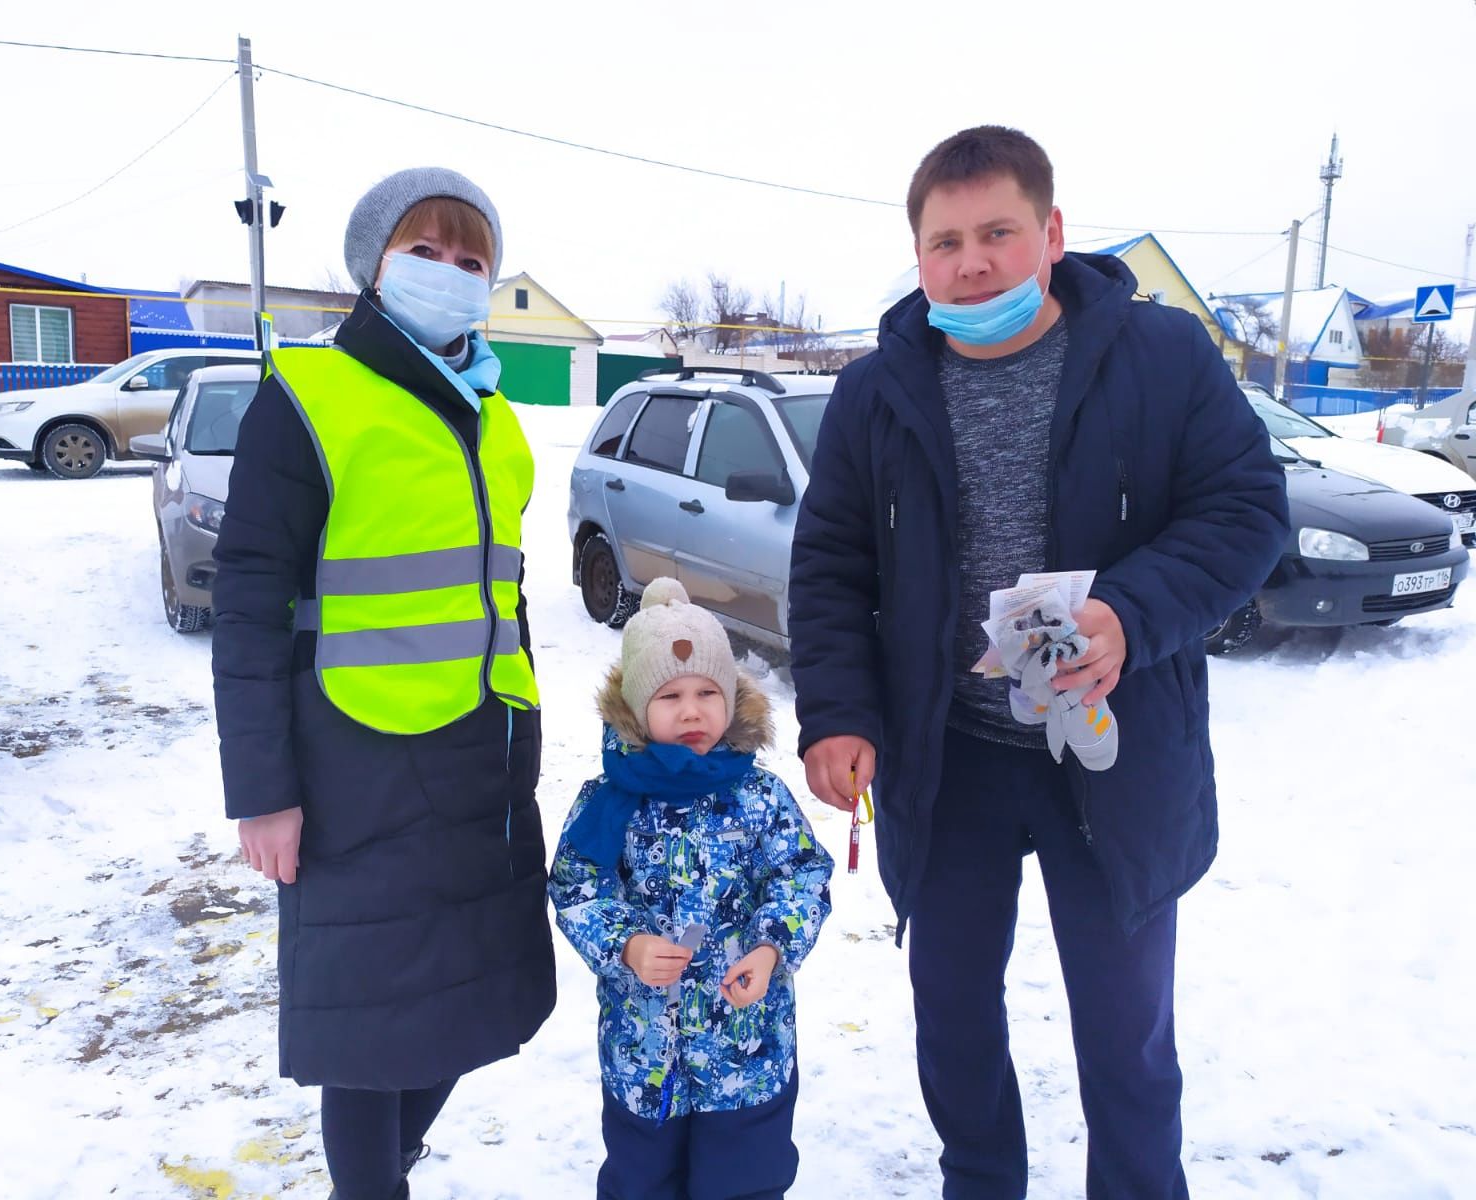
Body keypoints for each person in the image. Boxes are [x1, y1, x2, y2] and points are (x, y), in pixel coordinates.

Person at [787, 126, 1289, 1198]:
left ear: (1051, 233)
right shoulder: (875, 392)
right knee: (953, 1014)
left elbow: (1245, 512)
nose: (972, 262)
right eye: (945, 241)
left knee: (1125, 1031)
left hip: (1115, 751)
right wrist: (838, 711)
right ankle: (980, 1180)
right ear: (918, 256)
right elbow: (830, 567)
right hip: (948, 757)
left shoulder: (1161, 358)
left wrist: (1127, 613)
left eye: (998, 233)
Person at [211, 167, 555, 1200]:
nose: (449, 274)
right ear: (373, 264)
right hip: (353, 766)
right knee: (371, 1029)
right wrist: (262, 790)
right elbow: (248, 604)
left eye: (471, 260)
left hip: (478, 759)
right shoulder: (308, 398)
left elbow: (500, 586)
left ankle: (392, 1162)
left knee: (461, 1007)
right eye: (426, 251)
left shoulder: (494, 414)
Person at [549, 578, 833, 1200]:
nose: (692, 710)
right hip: (643, 1056)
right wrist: (627, 945)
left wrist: (770, 949)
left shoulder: (760, 797)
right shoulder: (610, 804)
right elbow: (577, 886)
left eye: (708, 692)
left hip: (747, 1053)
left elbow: (802, 874)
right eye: (670, 695)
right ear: (633, 707)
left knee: (745, 1183)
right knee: (642, 1184)